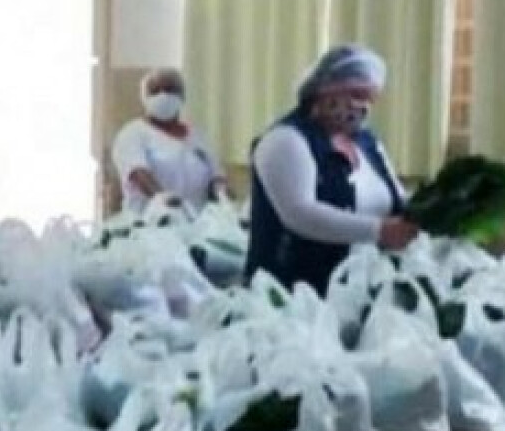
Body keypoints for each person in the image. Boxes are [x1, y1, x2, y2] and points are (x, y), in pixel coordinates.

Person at [245, 44, 417, 295]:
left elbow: (395, 197)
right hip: (292, 294)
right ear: (325, 93)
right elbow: (300, 214)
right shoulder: (286, 140)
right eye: (356, 96)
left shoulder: (366, 142)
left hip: (354, 290)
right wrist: (378, 231)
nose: (363, 108)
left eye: (369, 99)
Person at [112, 67, 227, 214]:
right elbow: (139, 174)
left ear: (182, 96)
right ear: (144, 98)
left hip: (197, 224)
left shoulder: (198, 136)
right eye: (155, 91)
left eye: (170, 89)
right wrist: (165, 201)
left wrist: (223, 197)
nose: (163, 96)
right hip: (150, 224)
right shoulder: (133, 134)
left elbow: (216, 176)